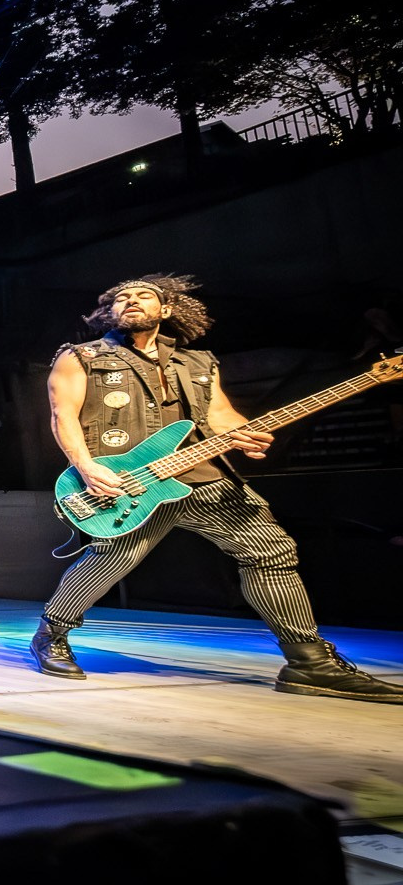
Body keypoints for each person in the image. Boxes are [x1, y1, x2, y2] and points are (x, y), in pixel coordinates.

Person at [33, 275, 403, 703]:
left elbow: (220, 416)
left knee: (271, 552)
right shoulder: (81, 357)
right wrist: (86, 466)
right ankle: (52, 633)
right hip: (130, 482)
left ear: (166, 309)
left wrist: (247, 434)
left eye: (143, 295)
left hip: (206, 476)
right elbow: (63, 415)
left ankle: (309, 662)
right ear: (108, 312)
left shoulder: (198, 362)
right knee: (114, 559)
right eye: (121, 298)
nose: (131, 300)